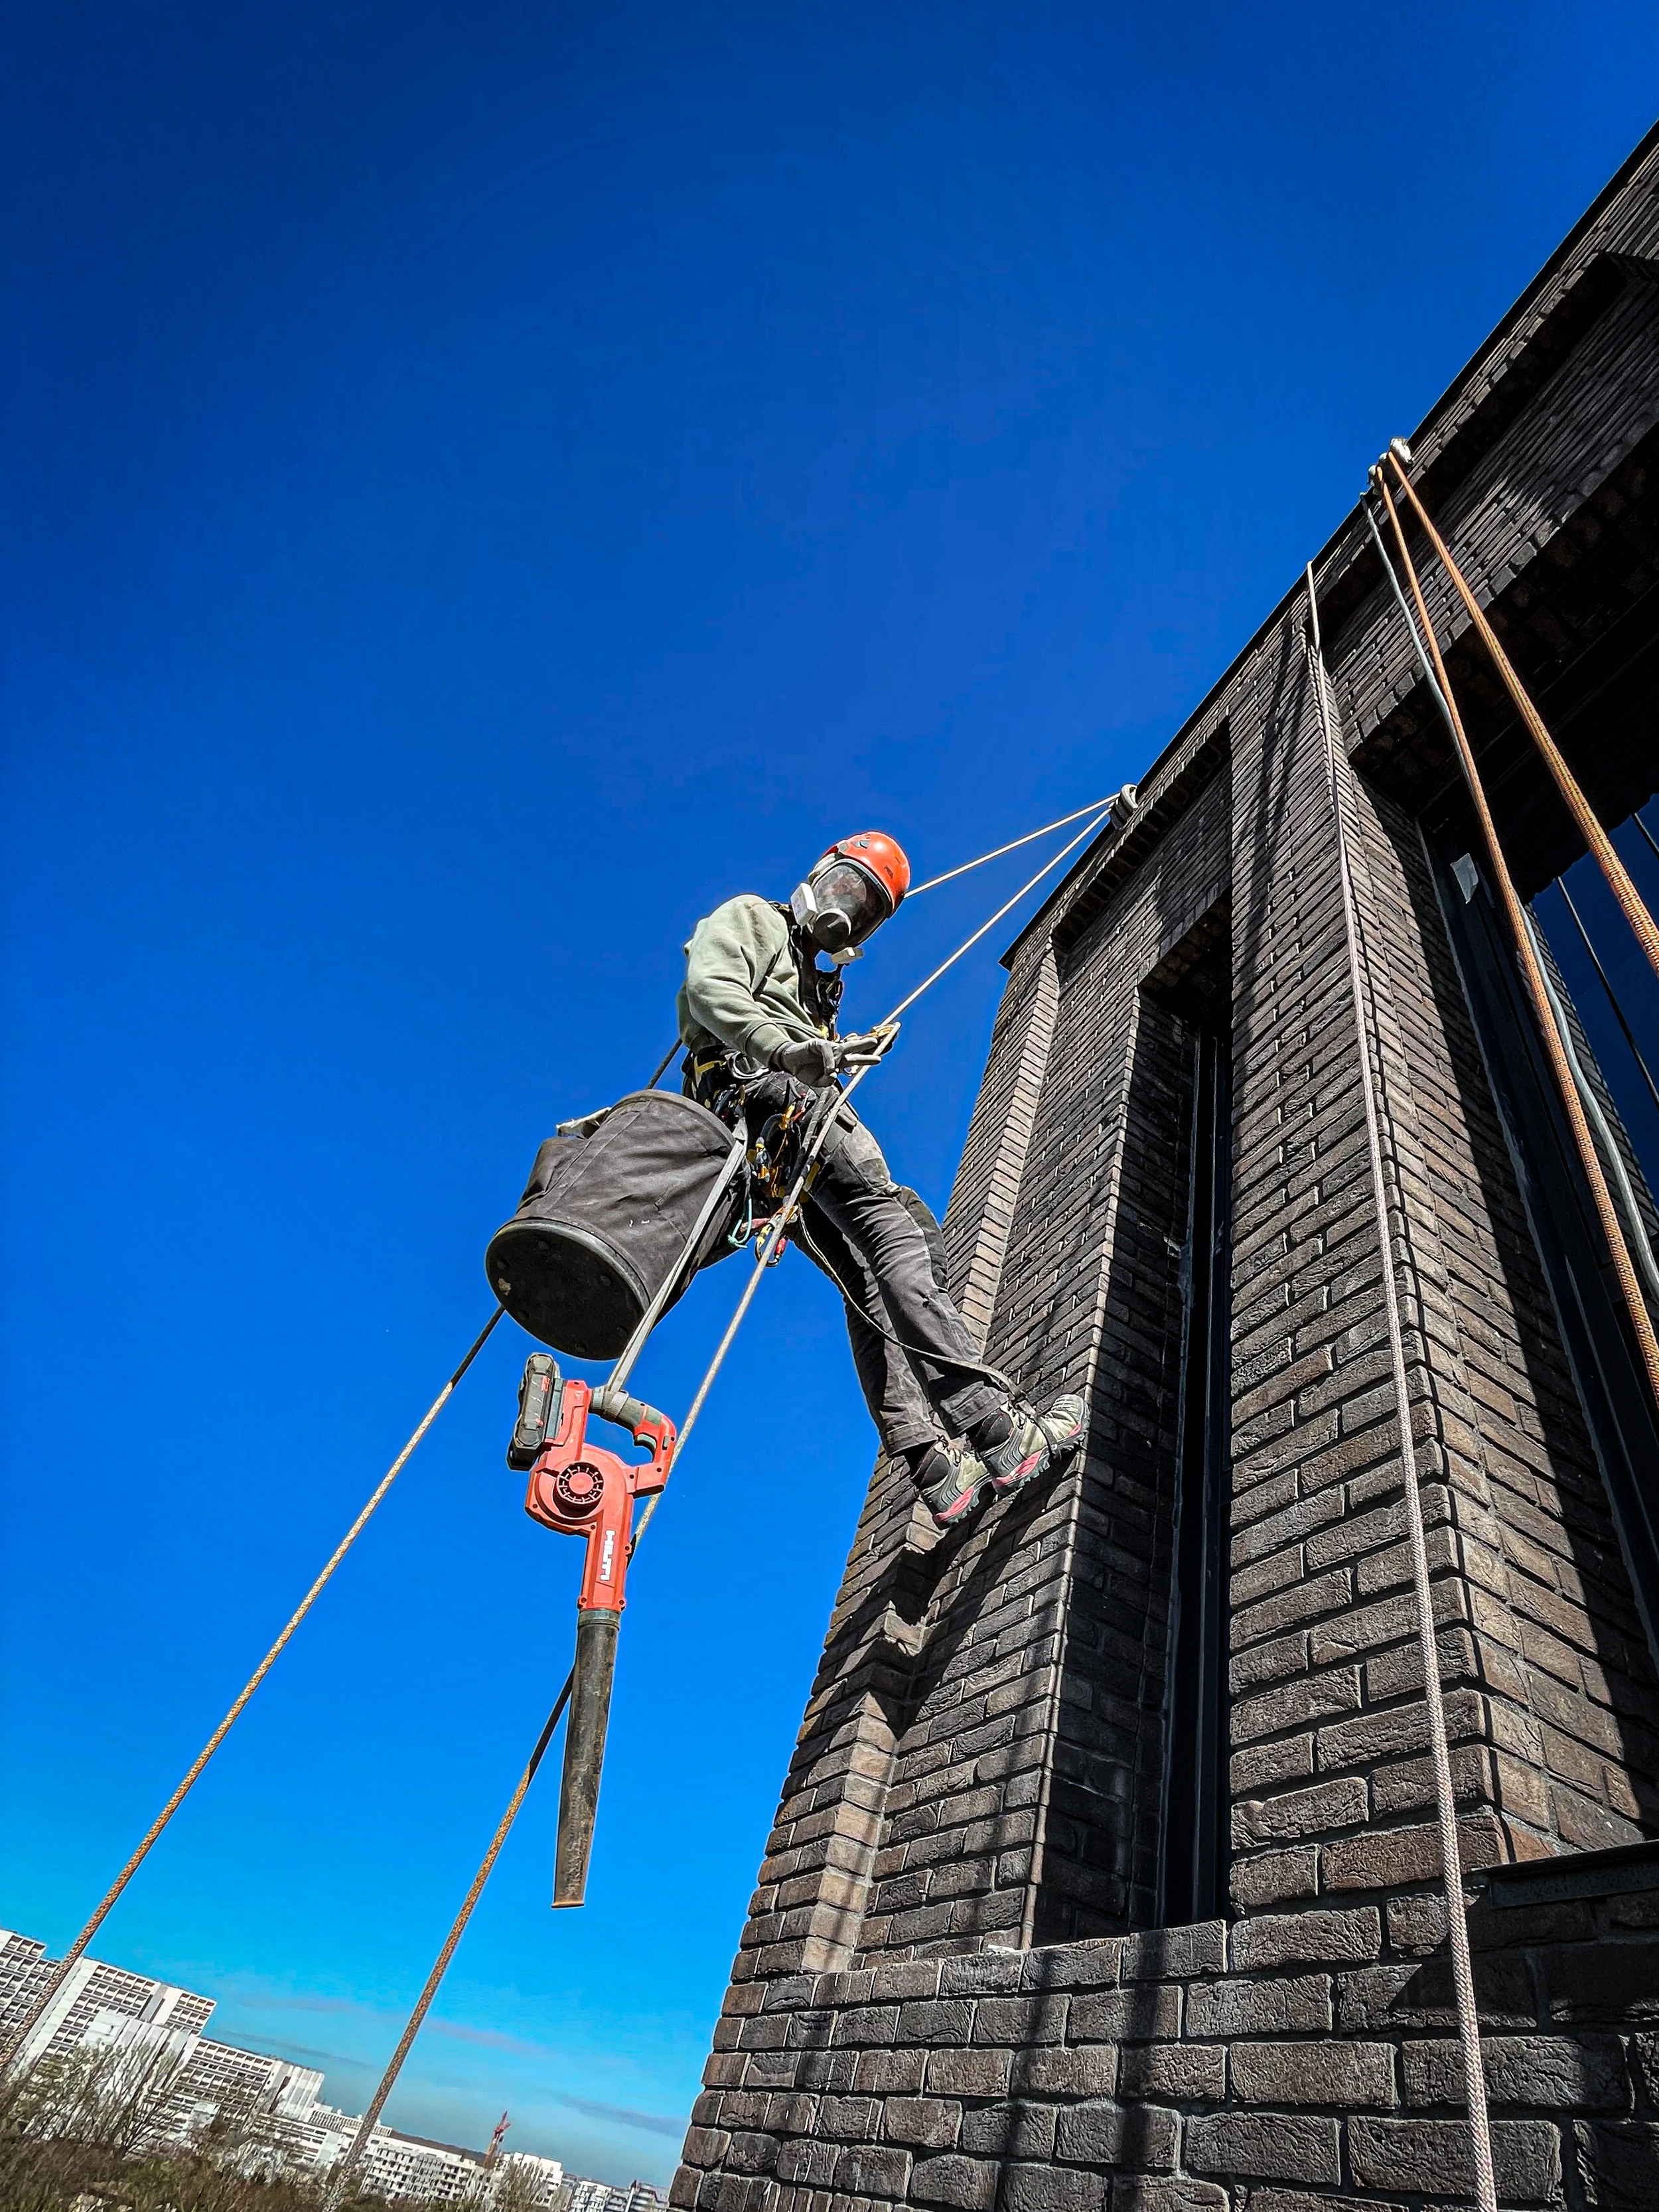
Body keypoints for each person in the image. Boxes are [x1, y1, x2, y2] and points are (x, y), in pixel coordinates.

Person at [677, 830, 1084, 1530]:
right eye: (845, 889)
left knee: (867, 1281)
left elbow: (789, 1035)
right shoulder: (753, 916)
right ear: (818, 873)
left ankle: (933, 1470)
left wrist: (837, 1047)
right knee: (901, 1240)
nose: (846, 912)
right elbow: (708, 988)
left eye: (864, 909)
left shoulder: (814, 980)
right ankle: (997, 1433)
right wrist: (792, 1049)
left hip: (773, 1149)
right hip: (775, 1107)